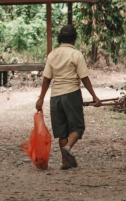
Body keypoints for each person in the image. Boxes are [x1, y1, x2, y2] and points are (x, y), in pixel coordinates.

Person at [34, 24, 101, 170]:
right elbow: (84, 78)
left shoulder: (52, 55)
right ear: (74, 39)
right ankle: (68, 148)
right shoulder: (76, 54)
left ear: (60, 39)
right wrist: (95, 97)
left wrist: (41, 98)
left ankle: (65, 162)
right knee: (78, 127)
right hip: (71, 94)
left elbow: (46, 78)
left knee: (62, 131)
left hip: (55, 97)